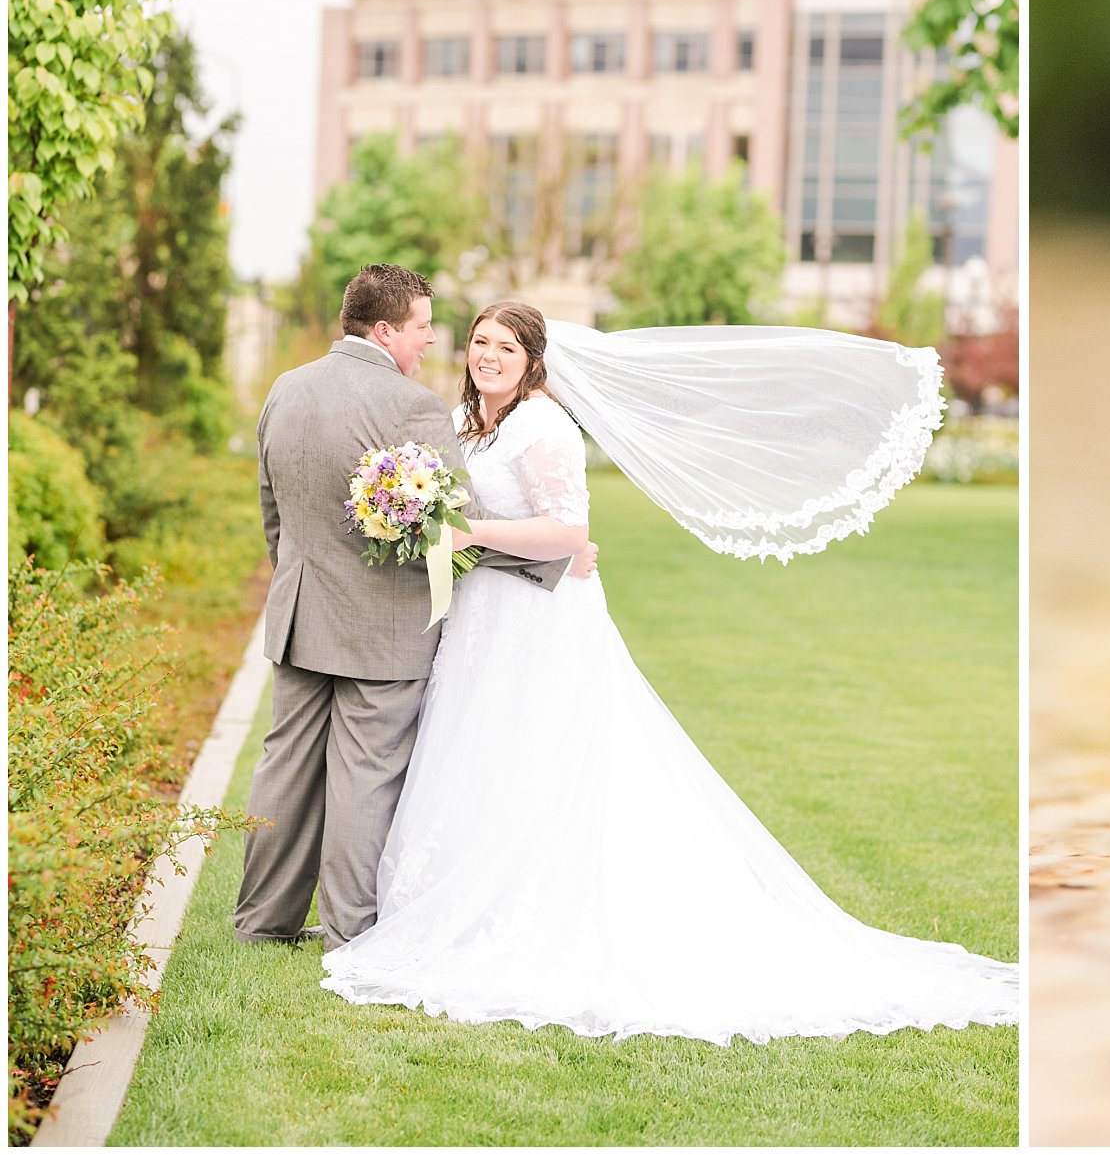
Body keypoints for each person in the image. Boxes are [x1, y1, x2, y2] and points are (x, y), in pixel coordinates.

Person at [320, 302, 1019, 1043]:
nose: (487, 355)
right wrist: (432, 523)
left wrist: (468, 531)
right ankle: (457, 902)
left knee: (539, 756)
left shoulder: (542, 425)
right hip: (485, 617)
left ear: (533, 359)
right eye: (479, 342)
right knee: (484, 754)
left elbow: (567, 531)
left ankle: (536, 909)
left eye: (506, 346)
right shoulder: (471, 426)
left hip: (537, 621)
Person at [233, 266, 592, 949]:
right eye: (424, 326)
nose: (433, 340)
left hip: (300, 611)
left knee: (286, 763)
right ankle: (349, 932)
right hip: (386, 627)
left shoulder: (287, 388)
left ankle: (261, 921)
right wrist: (558, 553)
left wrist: (297, 581)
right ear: (386, 329)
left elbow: (273, 509)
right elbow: (460, 522)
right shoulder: (415, 406)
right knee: (365, 776)